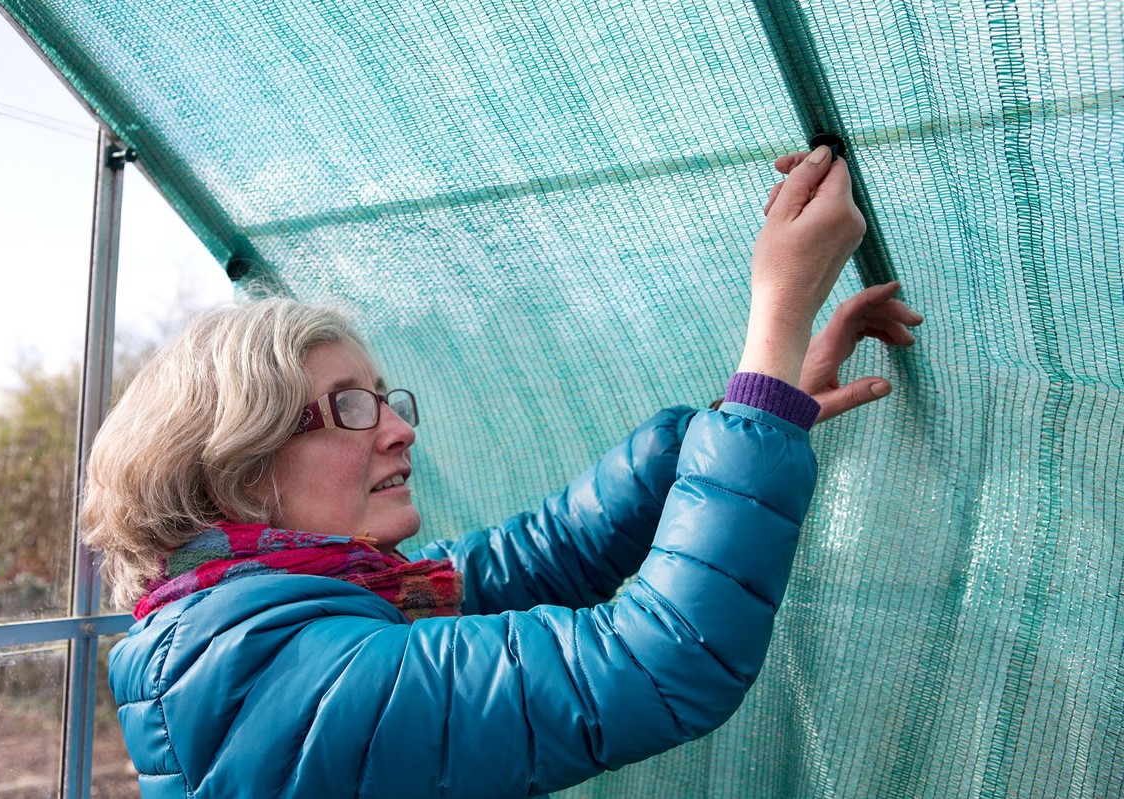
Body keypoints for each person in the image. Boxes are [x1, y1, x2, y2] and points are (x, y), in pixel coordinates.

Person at [83, 146, 922, 799]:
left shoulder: (272, 619)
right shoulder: (289, 679)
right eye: (349, 407)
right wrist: (777, 313)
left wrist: (749, 404)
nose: (400, 429)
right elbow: (659, 660)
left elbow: (534, 556)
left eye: (386, 398)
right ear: (238, 469)